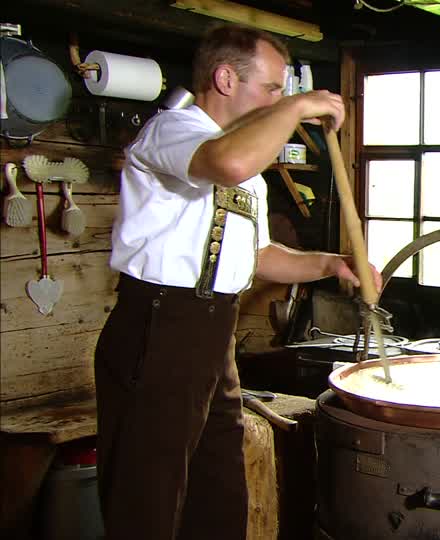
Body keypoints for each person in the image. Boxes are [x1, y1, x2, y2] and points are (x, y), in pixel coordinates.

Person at [94, 24, 382, 540]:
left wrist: (331, 263)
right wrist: (296, 108)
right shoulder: (174, 131)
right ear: (226, 78)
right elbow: (226, 162)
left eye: (280, 92)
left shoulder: (248, 165)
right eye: (272, 87)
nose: (278, 98)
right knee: (148, 499)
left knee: (218, 491)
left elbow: (255, 254)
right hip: (160, 327)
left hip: (211, 334)